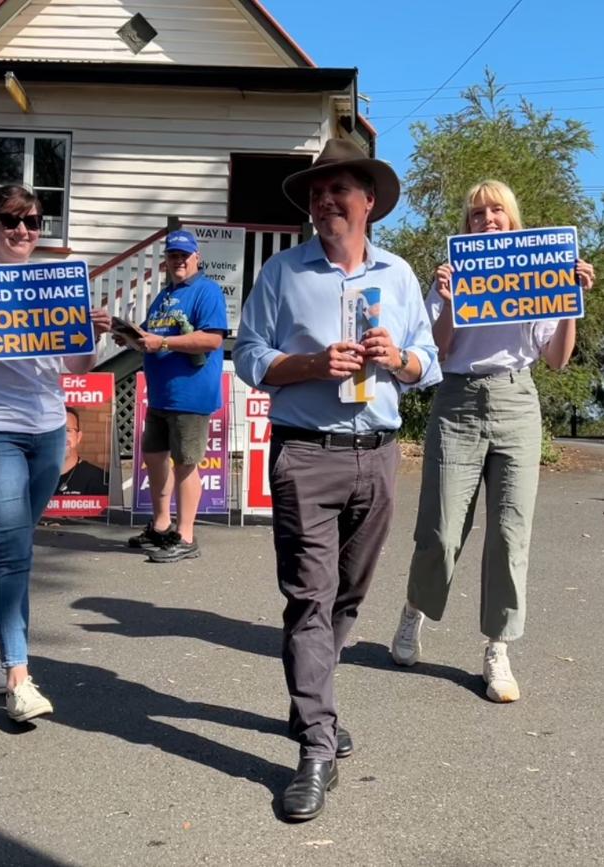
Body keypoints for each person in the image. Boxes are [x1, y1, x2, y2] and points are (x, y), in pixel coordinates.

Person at [233, 138, 441, 821]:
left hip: (378, 453)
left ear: (368, 201)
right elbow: (249, 356)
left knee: (348, 596)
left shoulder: (400, 276)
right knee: (308, 597)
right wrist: (310, 364)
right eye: (316, 192)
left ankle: (311, 698)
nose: (324, 201)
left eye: (338, 190)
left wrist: (401, 358)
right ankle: (317, 744)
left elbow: (429, 364)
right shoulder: (284, 274)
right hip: (307, 455)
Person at [391, 179, 596, 703]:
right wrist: (445, 301)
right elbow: (437, 350)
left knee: (510, 533)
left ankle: (498, 646)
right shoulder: (450, 276)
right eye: (477, 213)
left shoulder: (539, 272)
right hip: (457, 401)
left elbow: (555, 359)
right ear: (467, 224)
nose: (487, 220)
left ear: (512, 218)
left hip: (517, 402)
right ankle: (416, 608)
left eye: (496, 211)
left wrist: (571, 300)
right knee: (439, 529)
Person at [0, 184, 111, 722]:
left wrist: (87, 332)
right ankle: (19, 676)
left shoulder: (56, 286)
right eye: (10, 219)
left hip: (46, 432)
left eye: (34, 221)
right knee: (15, 549)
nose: (22, 230)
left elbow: (77, 371)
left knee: (8, 548)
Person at [123, 229, 227, 563]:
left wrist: (163, 343)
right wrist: (127, 337)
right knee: (154, 458)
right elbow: (149, 336)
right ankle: (161, 525)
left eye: (184, 255)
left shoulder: (206, 291)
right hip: (160, 394)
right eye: (172, 256)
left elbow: (212, 340)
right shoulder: (165, 295)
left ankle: (186, 536)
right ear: (166, 261)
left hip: (191, 394)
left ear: (197, 257)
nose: (178, 261)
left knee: (185, 465)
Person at [55, 407, 109, 496]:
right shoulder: (32, 478)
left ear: (78, 437)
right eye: (54, 431)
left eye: (68, 430)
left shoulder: (99, 480)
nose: (61, 437)